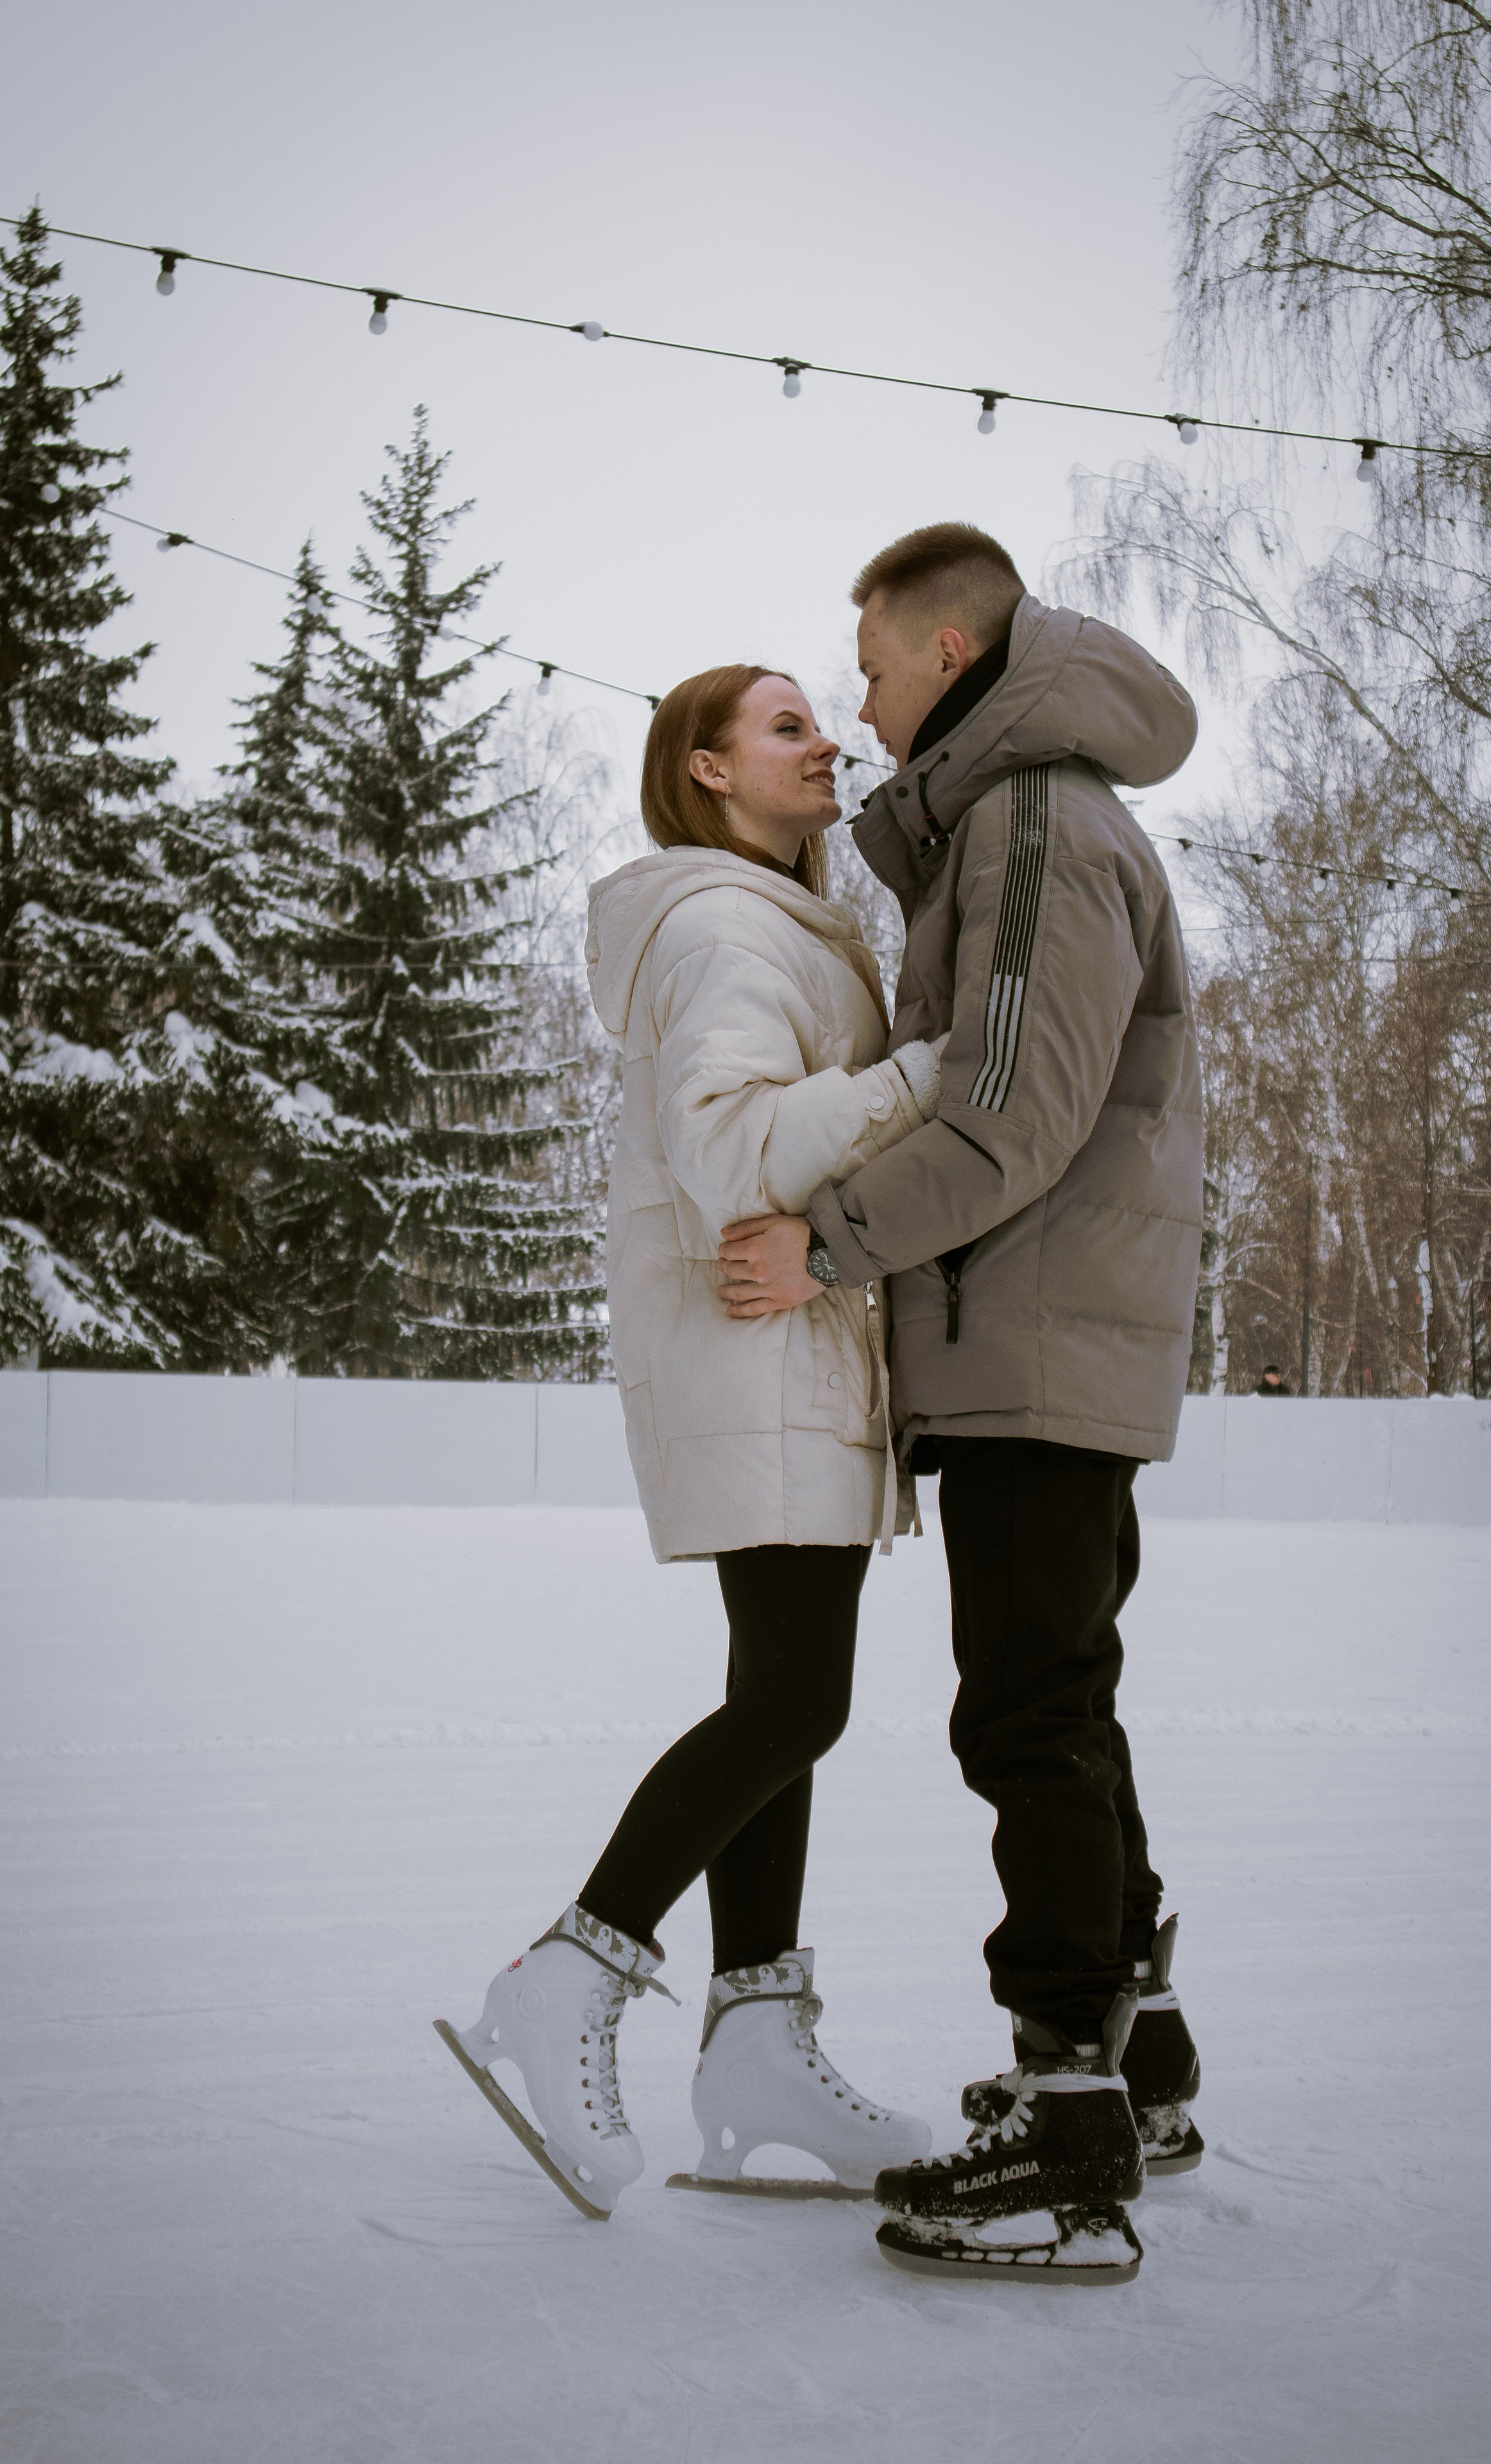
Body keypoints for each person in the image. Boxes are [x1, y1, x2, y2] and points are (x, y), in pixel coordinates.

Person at [717, 526, 1207, 2284]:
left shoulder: (1028, 825)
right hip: (1054, 1337)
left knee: (1026, 1718)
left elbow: (1006, 1121)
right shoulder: (1030, 820)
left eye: (866, 669)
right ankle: (1135, 2067)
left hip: (1034, 1343)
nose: (855, 708)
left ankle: (1068, 2122)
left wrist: (826, 1241)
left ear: (944, 650)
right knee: (1065, 1697)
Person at [439, 664, 940, 2219]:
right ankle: (571, 1972)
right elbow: (731, 1145)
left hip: (785, 1351)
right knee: (794, 1698)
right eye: (788, 725)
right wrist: (928, 1076)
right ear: (706, 770)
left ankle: (758, 2047)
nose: (829, 745)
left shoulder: (773, 921)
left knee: (776, 1700)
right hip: (761, 1349)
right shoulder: (725, 922)